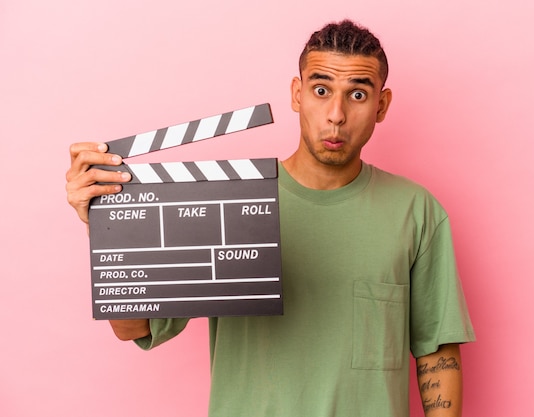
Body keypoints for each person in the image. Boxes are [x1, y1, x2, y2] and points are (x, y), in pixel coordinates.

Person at [66, 20, 475, 417]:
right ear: (297, 94)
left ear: (381, 105)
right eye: (320, 89)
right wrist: (106, 226)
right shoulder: (225, 204)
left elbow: (436, 349)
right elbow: (133, 327)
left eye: (357, 95)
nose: (335, 114)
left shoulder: (416, 211)